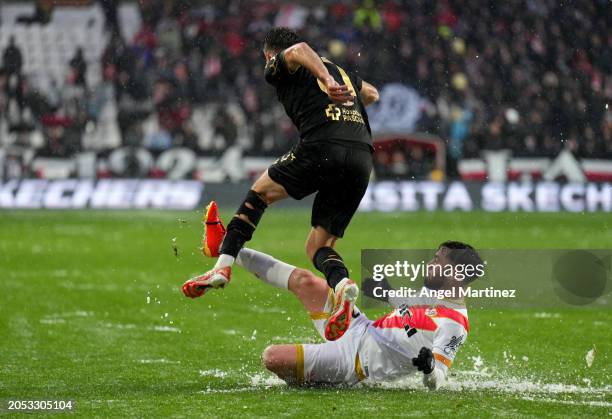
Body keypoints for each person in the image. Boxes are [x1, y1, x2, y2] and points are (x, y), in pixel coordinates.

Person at [190, 28, 379, 341]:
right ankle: (343, 286)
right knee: (317, 247)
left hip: (322, 145)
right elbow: (372, 94)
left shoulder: (282, 63)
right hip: (361, 157)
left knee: (260, 194)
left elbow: (299, 49)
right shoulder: (341, 70)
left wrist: (327, 84)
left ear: (270, 55)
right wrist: (339, 100)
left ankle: (222, 267)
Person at [182, 203, 480, 388]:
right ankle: (226, 248)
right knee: (304, 279)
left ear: (458, 275)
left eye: (439, 261)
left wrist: (429, 369)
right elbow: (408, 309)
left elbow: (438, 378)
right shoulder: (432, 292)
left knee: (272, 357)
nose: (431, 263)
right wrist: (385, 292)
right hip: (359, 327)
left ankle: (323, 380)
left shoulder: (454, 325)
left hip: (355, 363)